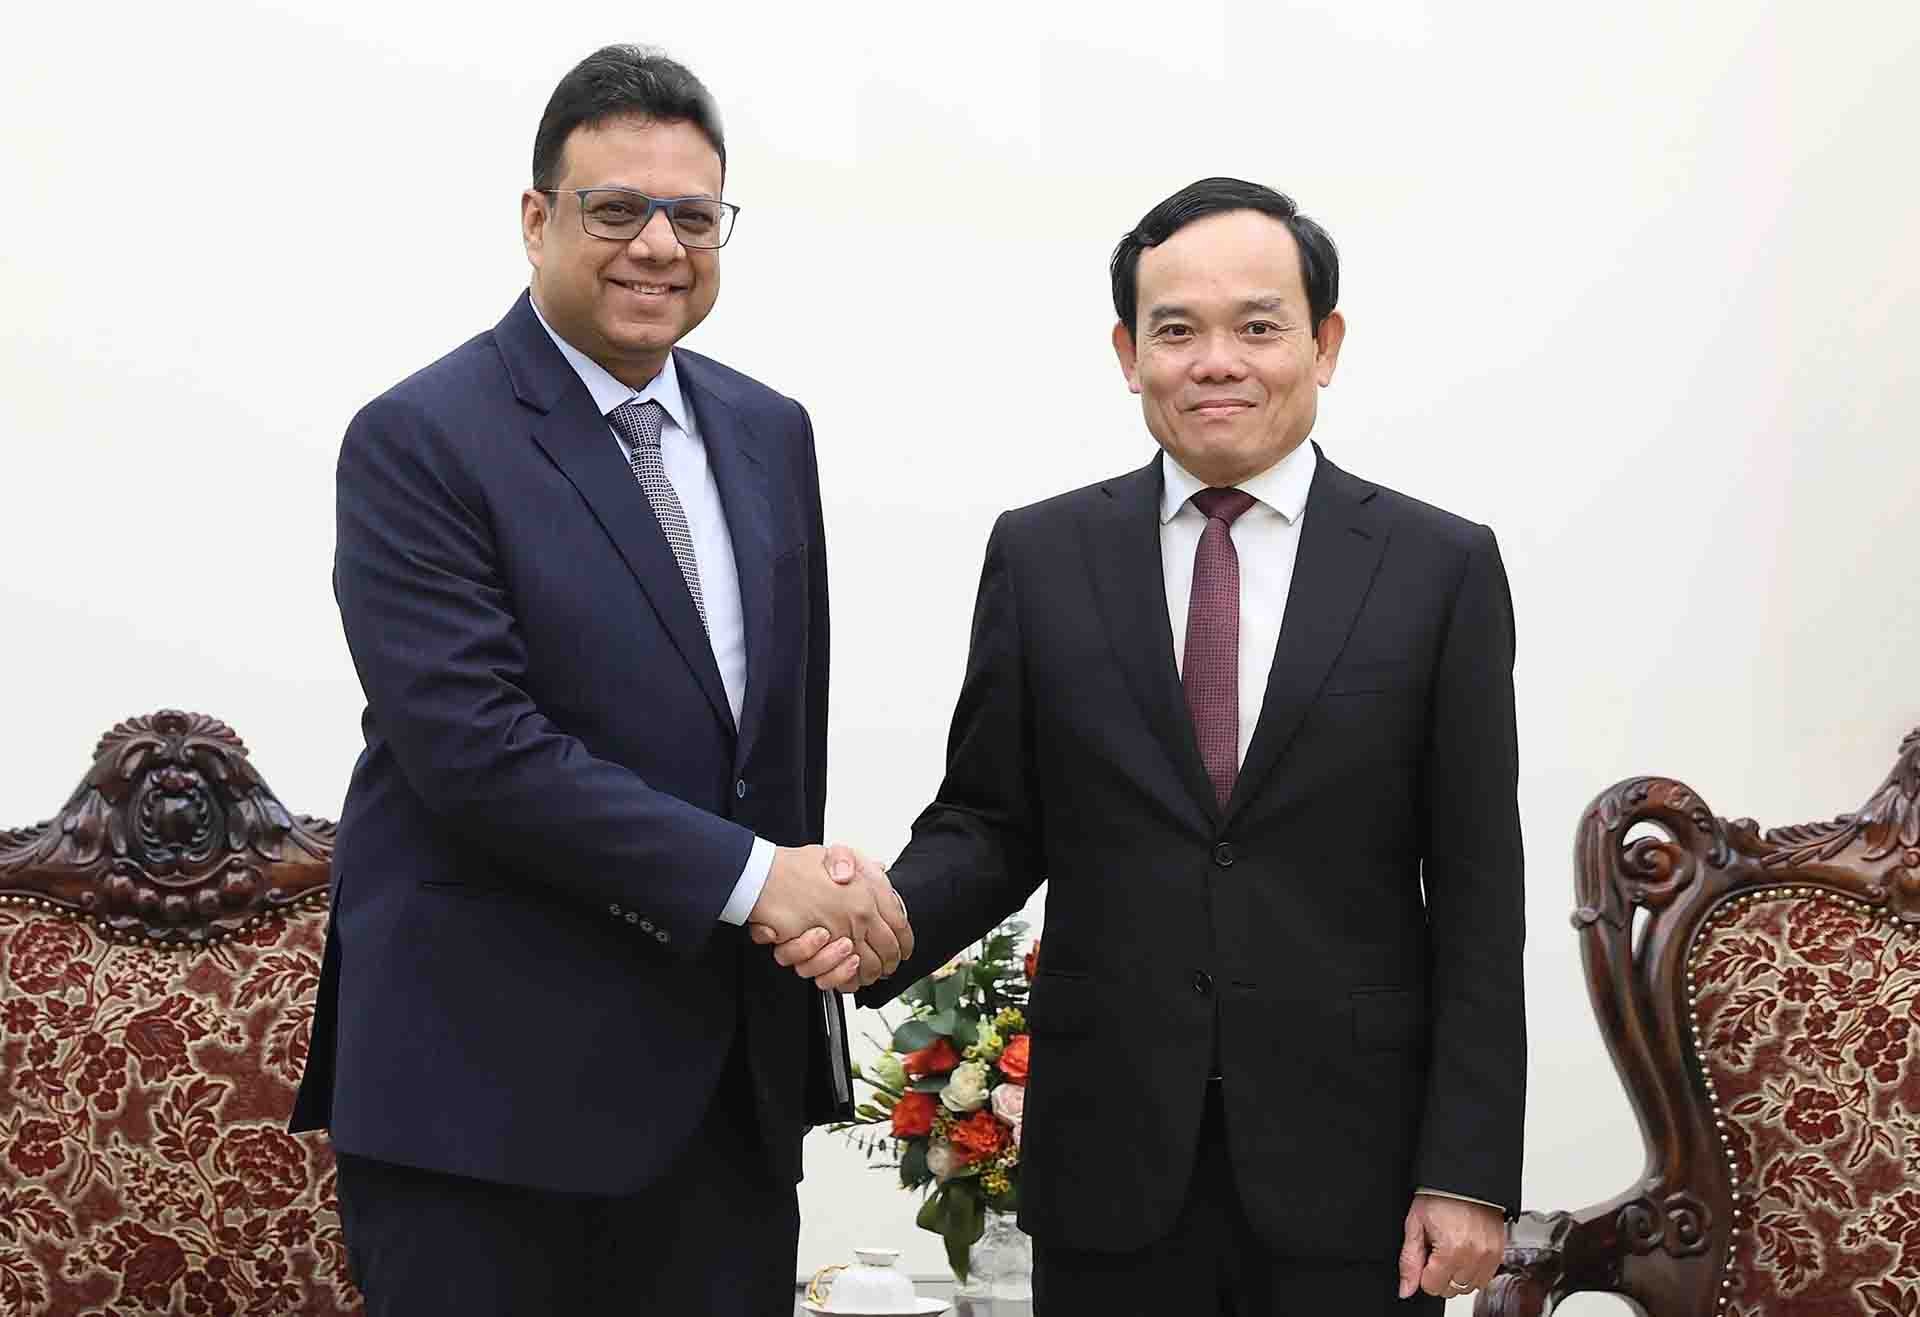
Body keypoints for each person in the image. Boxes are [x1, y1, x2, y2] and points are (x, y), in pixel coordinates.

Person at [779, 177, 1524, 1314]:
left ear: (1324, 345)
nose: (1216, 361)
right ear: (1130, 355)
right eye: (1176, 331)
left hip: (1356, 1175)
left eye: (1258, 327)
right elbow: (993, 821)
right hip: (1111, 1165)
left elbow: (1478, 890)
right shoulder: (1043, 556)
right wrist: (874, 925)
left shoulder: (1439, 568)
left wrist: (1467, 1169)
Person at [290, 44, 911, 1316]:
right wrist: (761, 882)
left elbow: (769, 745)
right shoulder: (421, 438)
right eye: (616, 208)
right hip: (489, 1107)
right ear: (537, 220)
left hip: (725, 1105)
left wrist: (810, 899)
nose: (659, 246)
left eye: (694, 215)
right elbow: (476, 749)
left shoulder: (768, 429)